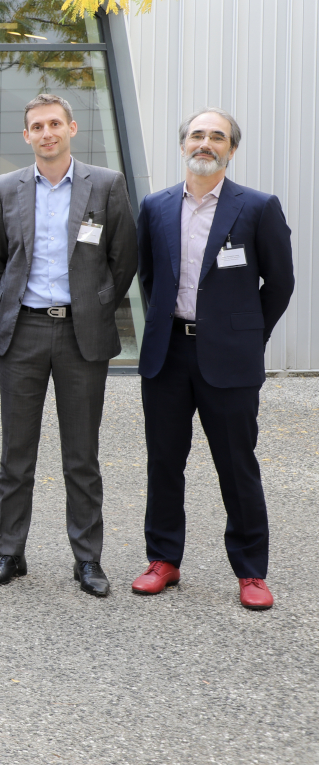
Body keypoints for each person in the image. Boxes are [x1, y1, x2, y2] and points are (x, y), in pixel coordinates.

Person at [131, 108, 293, 610]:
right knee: (164, 462)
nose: (206, 143)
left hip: (230, 358)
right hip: (168, 353)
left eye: (216, 136)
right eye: (197, 135)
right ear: (183, 145)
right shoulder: (155, 207)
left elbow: (281, 283)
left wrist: (248, 336)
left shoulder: (258, 207)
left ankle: (250, 571)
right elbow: (150, 277)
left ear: (231, 149)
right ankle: (163, 560)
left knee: (236, 464)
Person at [0, 93, 137, 597]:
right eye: (36, 126)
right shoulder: (6, 188)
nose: (46, 133)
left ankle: (88, 560)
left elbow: (124, 259)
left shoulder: (106, 185)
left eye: (54, 124)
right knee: (16, 453)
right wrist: (19, 305)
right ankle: (10, 553)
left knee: (81, 454)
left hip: (80, 334)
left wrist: (92, 304)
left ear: (71, 128)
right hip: (23, 331)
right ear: (26, 136)